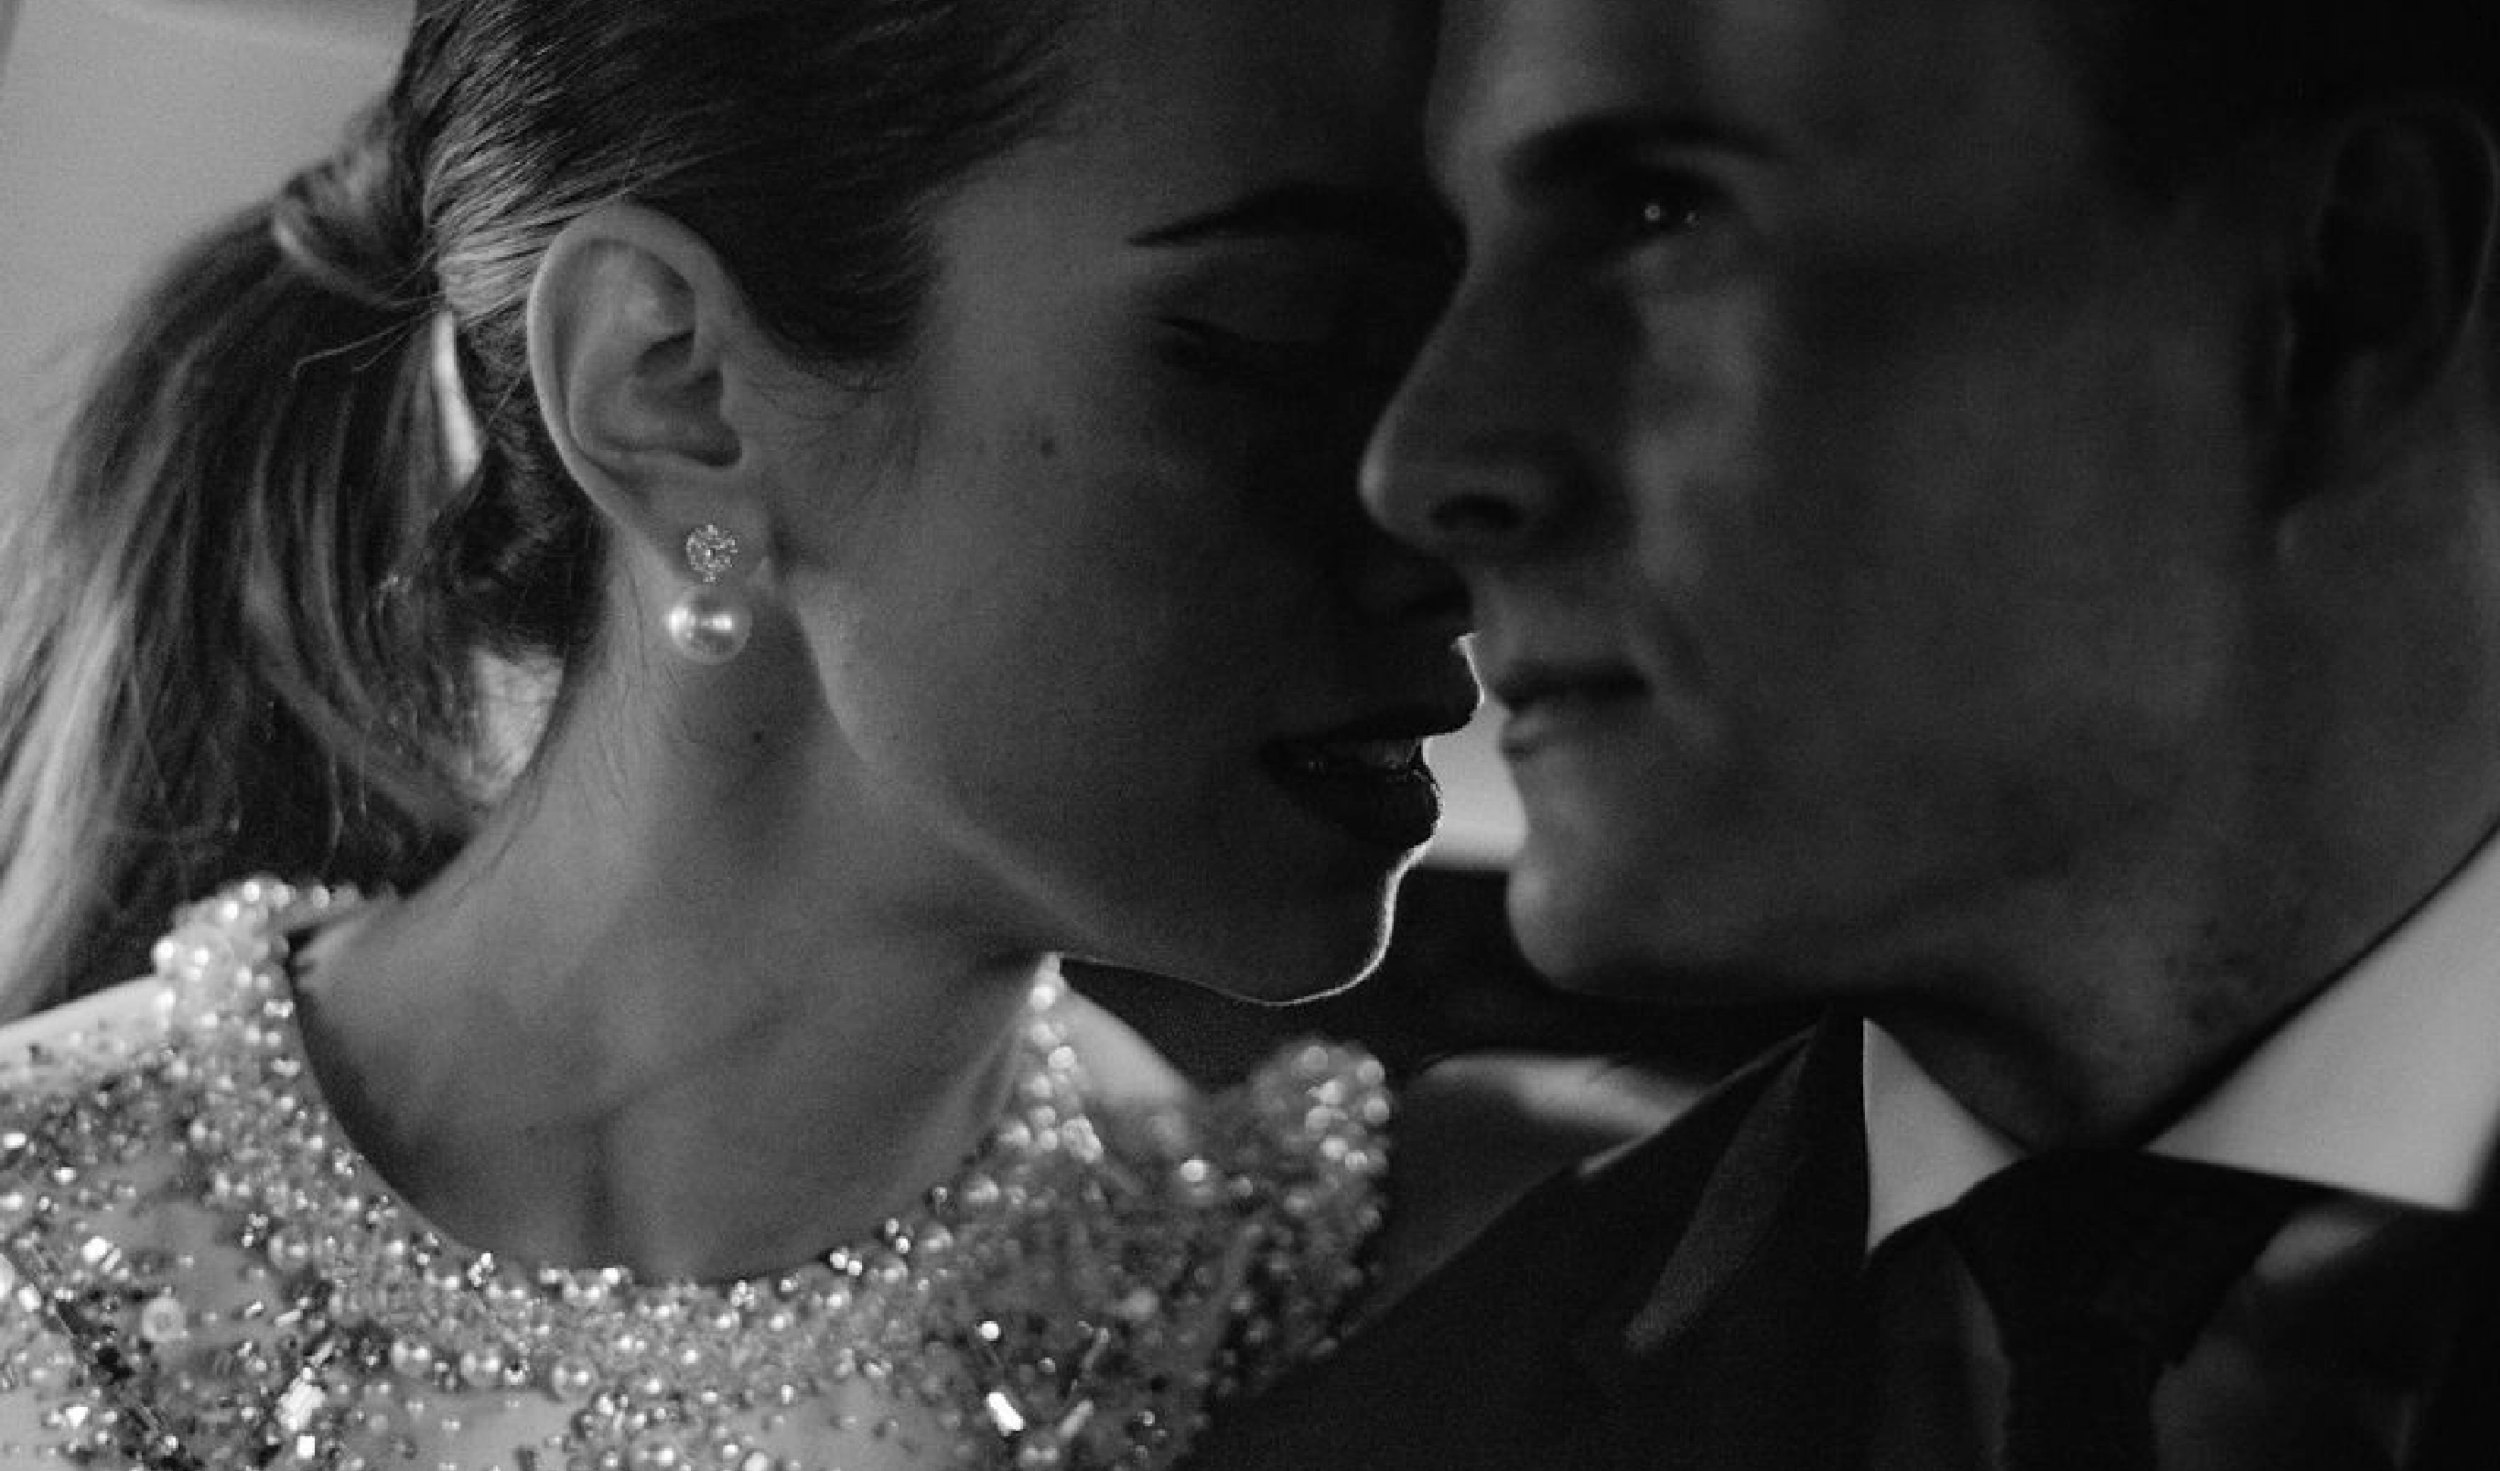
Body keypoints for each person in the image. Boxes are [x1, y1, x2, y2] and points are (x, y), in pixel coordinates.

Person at [0, 1, 1484, 1466]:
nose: (1455, 533)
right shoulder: (44, 1284)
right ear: (677, 392)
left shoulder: (1395, 1320)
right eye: (1289, 342)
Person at [1182, 1, 2500, 1468]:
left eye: (1660, 208)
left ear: (2344, 288)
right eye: (1456, 266)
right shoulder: (1401, 1432)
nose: (1420, 464)